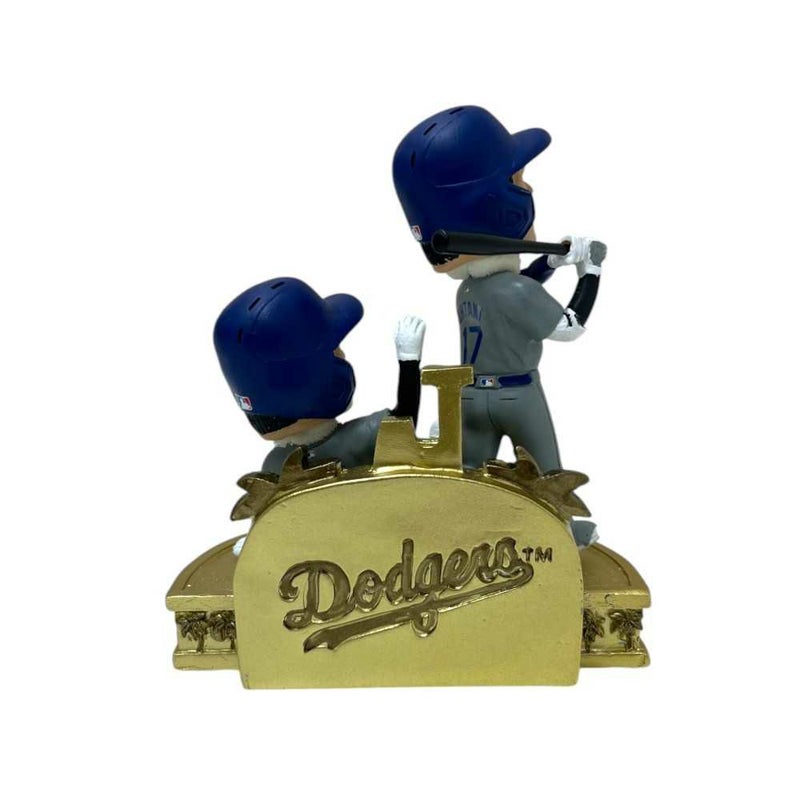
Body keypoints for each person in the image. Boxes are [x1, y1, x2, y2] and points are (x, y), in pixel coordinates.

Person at [393, 106, 604, 547]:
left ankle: (458, 545)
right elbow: (568, 327)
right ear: (497, 208)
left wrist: (551, 263)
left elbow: (517, 293)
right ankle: (561, 538)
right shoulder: (512, 290)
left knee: (470, 479)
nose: (527, 188)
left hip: (470, 397)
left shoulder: (468, 290)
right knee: (548, 478)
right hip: (517, 396)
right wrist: (591, 272)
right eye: (518, 180)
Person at [214, 277, 425, 475]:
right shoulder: (355, 440)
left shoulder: (274, 464)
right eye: (335, 350)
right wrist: (409, 361)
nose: (343, 355)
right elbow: (403, 424)